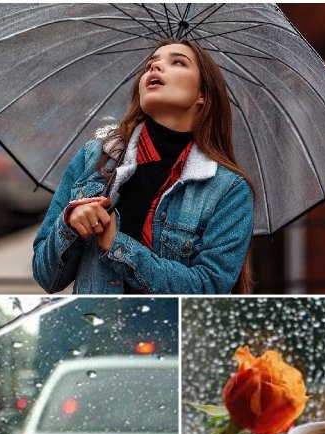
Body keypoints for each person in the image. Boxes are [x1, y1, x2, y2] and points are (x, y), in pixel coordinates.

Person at [32, 38, 254, 294]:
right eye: (151, 64)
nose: (155, 68)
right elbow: (45, 276)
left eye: (178, 62)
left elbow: (209, 288)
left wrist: (118, 246)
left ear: (202, 95)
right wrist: (69, 225)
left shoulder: (229, 190)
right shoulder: (93, 158)